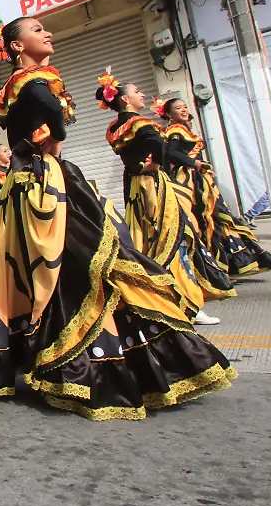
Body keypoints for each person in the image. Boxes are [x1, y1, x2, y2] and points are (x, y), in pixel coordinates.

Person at [0, 18, 236, 421]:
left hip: (38, 186)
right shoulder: (30, 83)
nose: (48, 33)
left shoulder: (25, 86)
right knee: (86, 264)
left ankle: (84, 356)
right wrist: (55, 127)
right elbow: (48, 110)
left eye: (46, 28)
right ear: (17, 46)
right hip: (47, 184)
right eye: (37, 29)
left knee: (66, 270)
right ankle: (91, 360)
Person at [99, 75, 236, 325]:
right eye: (137, 91)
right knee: (173, 239)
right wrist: (158, 166)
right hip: (154, 185)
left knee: (146, 239)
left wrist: (139, 165)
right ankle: (186, 304)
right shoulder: (140, 122)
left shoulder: (113, 128)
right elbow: (160, 145)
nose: (142, 95)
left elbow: (131, 158)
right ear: (125, 99)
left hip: (134, 186)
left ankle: (152, 297)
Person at [157, 99, 271, 276]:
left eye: (185, 106)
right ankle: (216, 265)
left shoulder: (183, 128)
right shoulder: (175, 131)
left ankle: (229, 262)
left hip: (199, 179)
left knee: (215, 218)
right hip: (191, 182)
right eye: (178, 108)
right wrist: (195, 163)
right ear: (169, 114)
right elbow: (171, 154)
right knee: (208, 218)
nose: (184, 110)